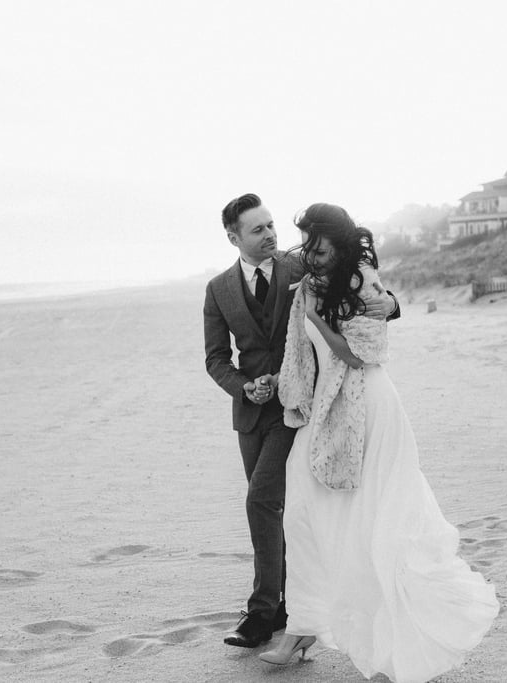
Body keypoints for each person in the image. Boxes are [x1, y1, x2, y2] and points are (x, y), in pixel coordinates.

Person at [259, 203, 499, 682]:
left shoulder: (362, 283)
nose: (312, 253)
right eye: (306, 243)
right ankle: (304, 622)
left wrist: (319, 317)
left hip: (368, 407)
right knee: (303, 508)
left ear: (340, 243)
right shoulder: (312, 279)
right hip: (324, 407)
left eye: (319, 245)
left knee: (375, 519)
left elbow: (361, 354)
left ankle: (394, 636)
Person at [203, 194, 399, 649]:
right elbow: (216, 359)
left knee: (261, 500)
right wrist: (243, 386)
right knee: (276, 510)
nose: (271, 235)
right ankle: (294, 610)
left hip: (305, 407)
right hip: (253, 413)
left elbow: (363, 286)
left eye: (271, 225)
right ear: (234, 238)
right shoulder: (218, 289)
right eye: (258, 230)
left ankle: (262, 611)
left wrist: (389, 303)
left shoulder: (303, 267)